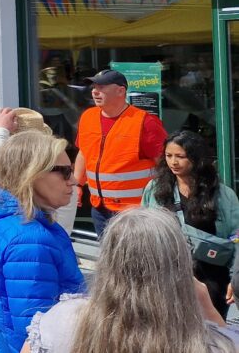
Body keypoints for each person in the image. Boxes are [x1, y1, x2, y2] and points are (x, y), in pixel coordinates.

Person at [23, 207, 239, 353]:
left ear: (108, 261)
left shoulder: (62, 320)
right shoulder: (212, 343)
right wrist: (207, 307)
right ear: (180, 266)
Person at [0, 130, 84, 353]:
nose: (74, 180)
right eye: (65, 172)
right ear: (33, 173)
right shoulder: (31, 241)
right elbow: (36, 335)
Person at [140, 130, 239, 317]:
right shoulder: (154, 190)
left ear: (196, 158)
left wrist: (235, 278)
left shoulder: (222, 195)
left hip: (211, 278)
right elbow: (143, 232)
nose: (173, 162)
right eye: (169, 156)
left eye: (180, 156)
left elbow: (236, 237)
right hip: (168, 278)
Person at [73, 69, 167, 236]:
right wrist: (77, 185)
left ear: (120, 91)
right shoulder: (88, 117)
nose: (95, 91)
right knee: (108, 257)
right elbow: (83, 153)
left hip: (135, 211)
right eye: (94, 87)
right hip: (99, 208)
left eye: (101, 87)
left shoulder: (145, 122)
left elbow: (164, 163)